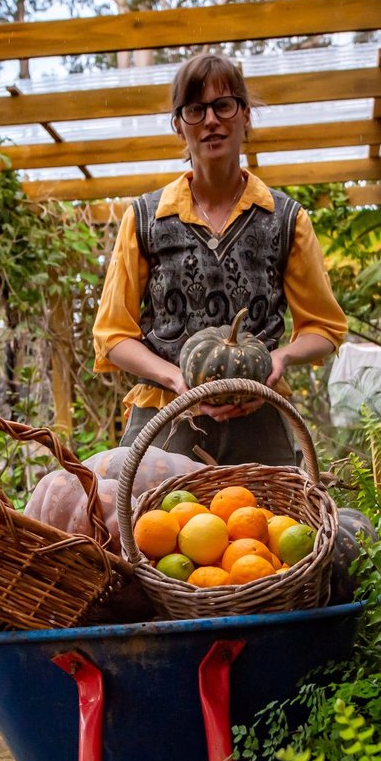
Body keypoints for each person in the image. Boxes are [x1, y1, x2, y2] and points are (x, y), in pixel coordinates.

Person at [92, 52, 348, 466]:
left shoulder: (286, 220)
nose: (210, 120)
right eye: (195, 109)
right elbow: (112, 335)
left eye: (223, 105)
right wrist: (177, 380)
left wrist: (279, 358)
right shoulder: (144, 219)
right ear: (179, 125)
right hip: (165, 420)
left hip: (259, 422)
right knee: (149, 528)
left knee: (270, 528)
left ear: (245, 116)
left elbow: (324, 327)